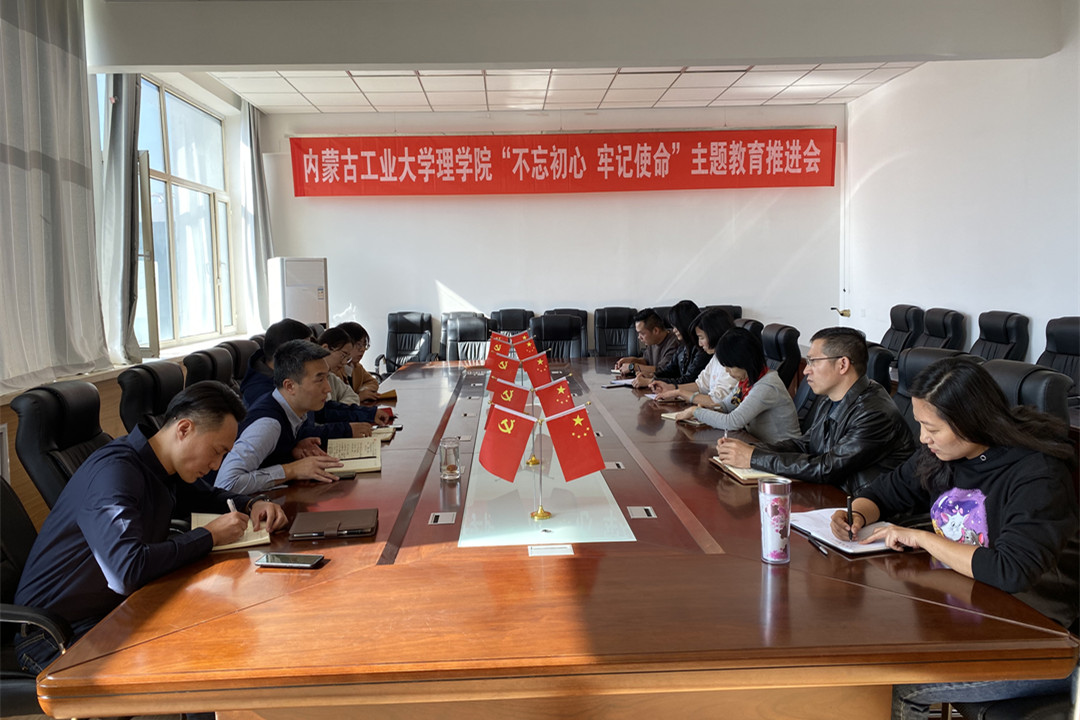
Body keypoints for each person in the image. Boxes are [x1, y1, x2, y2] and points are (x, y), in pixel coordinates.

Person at [829, 357, 1079, 720]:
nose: (922, 438)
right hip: (971, 615)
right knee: (867, 653)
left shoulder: (1037, 474)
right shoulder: (942, 454)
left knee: (902, 686)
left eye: (932, 428)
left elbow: (1011, 570)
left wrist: (923, 539)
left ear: (971, 421)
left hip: (1044, 638)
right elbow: (886, 491)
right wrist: (857, 514)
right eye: (920, 425)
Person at [13, 381, 288, 674]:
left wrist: (252, 503)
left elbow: (207, 497)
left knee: (226, 629)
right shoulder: (115, 473)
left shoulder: (160, 465)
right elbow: (127, 571)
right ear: (184, 429)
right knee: (203, 657)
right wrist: (209, 536)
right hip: (55, 637)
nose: (217, 465)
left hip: (114, 613)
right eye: (217, 451)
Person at [716, 326, 915, 494]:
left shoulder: (874, 413)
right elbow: (805, 444)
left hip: (867, 511)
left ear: (842, 364)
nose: (805, 370)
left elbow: (827, 468)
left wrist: (753, 458)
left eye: (813, 361)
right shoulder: (831, 398)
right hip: (832, 496)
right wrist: (749, 450)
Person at [215, 340, 375, 494]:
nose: (328, 389)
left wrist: (291, 450)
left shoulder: (293, 409)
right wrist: (292, 469)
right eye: (319, 380)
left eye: (327, 377)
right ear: (290, 386)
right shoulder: (268, 425)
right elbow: (226, 483)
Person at [673, 327, 801, 444]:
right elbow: (726, 406)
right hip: (759, 446)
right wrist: (708, 409)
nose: (727, 372)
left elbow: (732, 422)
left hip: (781, 454)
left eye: (730, 367)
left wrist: (696, 412)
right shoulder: (747, 381)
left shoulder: (767, 385)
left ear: (744, 361)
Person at [654, 308, 738, 407]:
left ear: (714, 334)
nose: (699, 343)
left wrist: (679, 392)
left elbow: (717, 401)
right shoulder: (716, 357)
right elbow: (700, 385)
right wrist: (671, 388)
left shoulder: (733, 362)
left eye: (701, 337)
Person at [633, 300, 710, 389]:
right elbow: (669, 370)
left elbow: (688, 380)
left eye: (676, 326)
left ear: (685, 324)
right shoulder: (683, 346)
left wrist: (651, 381)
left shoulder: (702, 349)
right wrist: (652, 375)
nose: (674, 330)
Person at [615, 308, 680, 379]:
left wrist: (632, 367)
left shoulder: (674, 342)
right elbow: (646, 361)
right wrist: (632, 360)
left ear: (655, 331)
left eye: (642, 333)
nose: (639, 337)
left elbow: (662, 370)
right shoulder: (653, 340)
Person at [337, 321, 381, 402]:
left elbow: (372, 382)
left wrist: (363, 390)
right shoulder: (335, 370)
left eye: (364, 345)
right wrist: (358, 397)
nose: (363, 349)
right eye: (358, 345)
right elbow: (336, 403)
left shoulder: (357, 367)